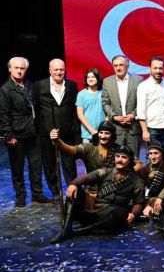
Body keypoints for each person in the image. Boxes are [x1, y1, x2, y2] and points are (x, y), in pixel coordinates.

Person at [51, 145, 145, 244]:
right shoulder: (105, 172)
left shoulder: (137, 181)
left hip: (111, 214)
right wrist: (73, 184)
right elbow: (87, 177)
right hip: (94, 210)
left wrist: (133, 214)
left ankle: (79, 231)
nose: (119, 160)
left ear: (130, 161)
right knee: (75, 190)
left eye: (124, 157)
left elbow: (139, 202)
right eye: (117, 156)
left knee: (121, 212)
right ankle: (66, 228)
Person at [0, 57, 49, 206]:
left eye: (22, 68)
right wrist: (9, 135)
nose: (19, 71)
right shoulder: (5, 89)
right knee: (17, 168)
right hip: (16, 135)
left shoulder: (30, 85)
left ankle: (37, 194)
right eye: (16, 68)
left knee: (36, 166)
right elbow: (3, 114)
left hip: (33, 133)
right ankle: (20, 196)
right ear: (10, 69)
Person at [34, 58, 79, 197]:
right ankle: (55, 192)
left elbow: (74, 108)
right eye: (56, 69)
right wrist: (42, 128)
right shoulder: (39, 85)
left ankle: (73, 190)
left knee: (69, 164)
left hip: (67, 132)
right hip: (47, 133)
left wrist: (74, 127)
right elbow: (36, 109)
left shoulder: (71, 85)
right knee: (49, 164)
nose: (59, 72)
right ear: (50, 70)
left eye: (61, 69)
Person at [50, 120, 120, 193]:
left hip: (112, 190)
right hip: (92, 191)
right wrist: (58, 140)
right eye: (101, 132)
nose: (103, 136)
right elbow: (70, 150)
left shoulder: (118, 150)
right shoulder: (89, 147)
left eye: (107, 133)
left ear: (112, 135)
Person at [102, 55, 143, 157]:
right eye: (115, 65)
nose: (118, 68)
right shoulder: (107, 82)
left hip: (133, 128)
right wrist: (114, 117)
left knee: (134, 159)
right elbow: (105, 103)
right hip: (116, 129)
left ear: (127, 66)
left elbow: (142, 102)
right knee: (117, 159)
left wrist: (133, 115)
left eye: (121, 65)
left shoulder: (139, 80)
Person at [136, 57, 164, 155]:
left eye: (160, 68)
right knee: (152, 157)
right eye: (155, 68)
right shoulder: (143, 86)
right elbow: (141, 111)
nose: (158, 71)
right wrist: (145, 131)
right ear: (150, 69)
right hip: (152, 129)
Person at [135, 141, 164, 219]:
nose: (153, 156)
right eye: (150, 153)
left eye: (156, 153)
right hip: (150, 198)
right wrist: (146, 204)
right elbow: (140, 187)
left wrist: (160, 198)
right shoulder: (146, 168)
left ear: (162, 154)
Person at [75, 68, 105, 144]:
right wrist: (92, 131)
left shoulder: (104, 92)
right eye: (88, 77)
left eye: (93, 77)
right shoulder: (81, 94)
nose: (90, 79)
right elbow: (80, 114)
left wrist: (104, 128)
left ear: (98, 78)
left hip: (103, 134)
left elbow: (108, 110)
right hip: (87, 134)